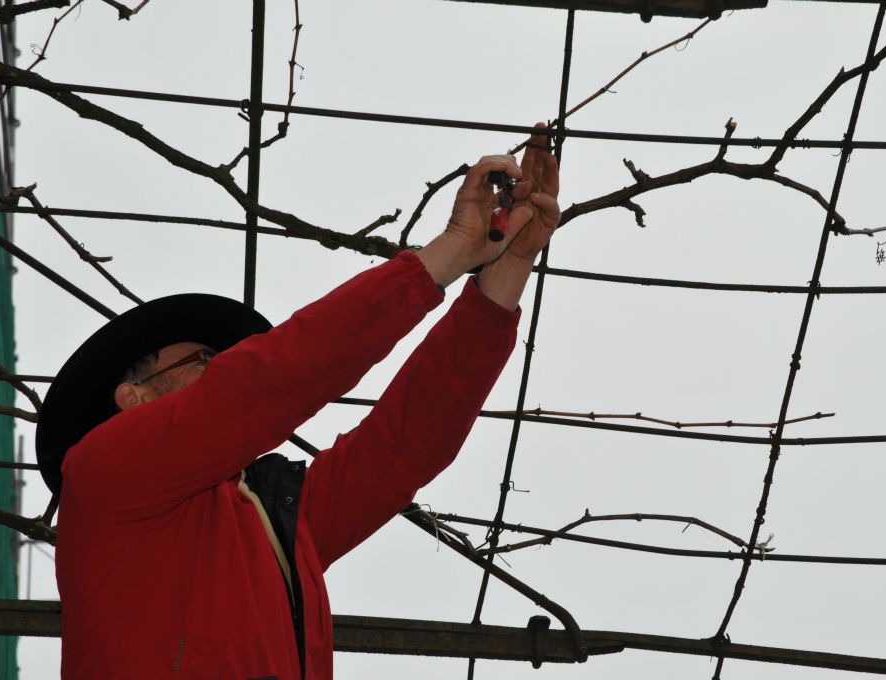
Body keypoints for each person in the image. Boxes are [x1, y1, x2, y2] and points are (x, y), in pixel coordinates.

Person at [34, 129, 561, 679]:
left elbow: (405, 444)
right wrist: (448, 251)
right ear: (132, 398)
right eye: (204, 359)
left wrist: (507, 268)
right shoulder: (101, 472)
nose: (223, 369)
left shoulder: (274, 514)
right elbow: (265, 383)